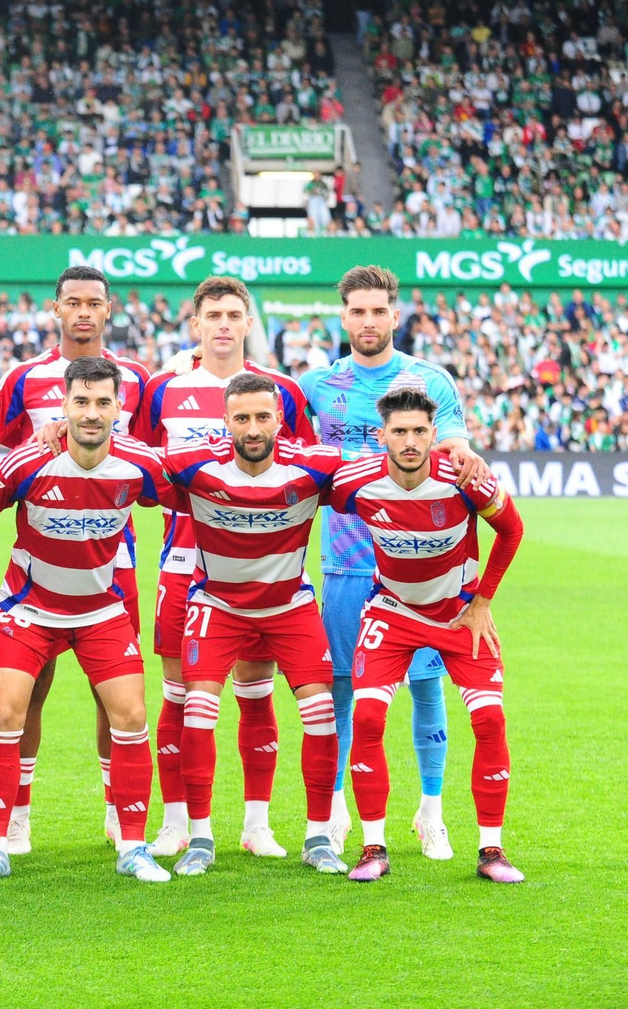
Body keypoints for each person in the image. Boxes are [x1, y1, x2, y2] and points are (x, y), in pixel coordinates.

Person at [0, 357, 173, 884]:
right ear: (63, 404)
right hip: (29, 609)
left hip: (101, 609)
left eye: (103, 402)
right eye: (81, 401)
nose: (91, 413)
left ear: (119, 408)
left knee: (130, 717)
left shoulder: (140, 465)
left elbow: (193, 495)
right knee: (7, 714)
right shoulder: (28, 461)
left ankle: (132, 846)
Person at [297, 265, 488, 859]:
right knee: (343, 688)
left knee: (427, 686)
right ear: (344, 316)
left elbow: (454, 446)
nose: (368, 321)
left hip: (421, 571)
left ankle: (431, 812)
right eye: (357, 311)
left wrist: (469, 452)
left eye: (378, 311)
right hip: (346, 563)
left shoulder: (427, 380)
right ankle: (335, 815)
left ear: (395, 314)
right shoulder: (316, 385)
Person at [134, 276, 314, 858]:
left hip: (261, 566)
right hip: (184, 562)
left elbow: (306, 467)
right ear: (195, 324)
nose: (223, 325)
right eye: (212, 315)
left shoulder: (281, 390)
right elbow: (139, 466)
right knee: (179, 696)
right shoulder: (165, 388)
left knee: (255, 694)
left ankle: (256, 823)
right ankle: (178, 821)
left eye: (234, 315)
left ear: (248, 323)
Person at [0, 265, 149, 851]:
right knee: (31, 688)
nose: (82, 312)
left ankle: (114, 807)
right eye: (71, 302)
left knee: (115, 693)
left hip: (111, 558)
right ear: (55, 309)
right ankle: (16, 813)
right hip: (41, 552)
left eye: (92, 303)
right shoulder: (25, 376)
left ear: (107, 310)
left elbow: (146, 455)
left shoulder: (137, 378)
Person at [327, 386, 525, 884]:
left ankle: (491, 850)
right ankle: (373, 847)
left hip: (459, 614)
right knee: (368, 715)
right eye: (399, 432)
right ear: (382, 436)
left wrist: (482, 603)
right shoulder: (355, 482)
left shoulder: (463, 477)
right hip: (391, 611)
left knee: (491, 722)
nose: (410, 440)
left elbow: (512, 530)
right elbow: (303, 495)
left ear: (435, 435)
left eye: (419, 431)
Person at [162, 373, 347, 876]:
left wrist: (449, 455)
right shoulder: (194, 465)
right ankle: (200, 838)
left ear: (279, 420)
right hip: (217, 605)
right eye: (241, 417)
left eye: (262, 416)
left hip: (288, 607)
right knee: (198, 711)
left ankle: (317, 837)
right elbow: (133, 459)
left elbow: (378, 470)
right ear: (225, 421)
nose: (252, 427)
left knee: (321, 713)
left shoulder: (313, 467)